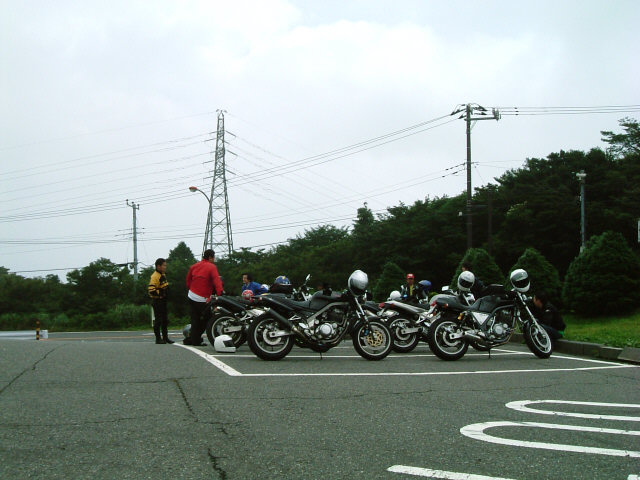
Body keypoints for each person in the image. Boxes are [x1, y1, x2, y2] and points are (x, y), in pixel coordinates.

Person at [185, 249, 224, 346]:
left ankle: (193, 339)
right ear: (210, 257)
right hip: (201, 297)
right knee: (208, 319)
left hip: (191, 295)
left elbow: (188, 280)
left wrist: (191, 289)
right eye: (213, 258)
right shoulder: (212, 267)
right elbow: (216, 281)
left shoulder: (194, 266)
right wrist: (220, 293)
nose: (214, 260)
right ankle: (200, 338)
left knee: (195, 319)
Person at [148, 258, 173, 344]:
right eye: (164, 265)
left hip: (163, 301)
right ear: (158, 266)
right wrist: (161, 294)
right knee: (158, 320)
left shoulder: (162, 274)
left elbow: (165, 286)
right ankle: (158, 338)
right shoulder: (154, 276)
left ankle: (165, 337)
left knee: (165, 320)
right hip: (157, 301)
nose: (165, 267)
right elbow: (151, 290)